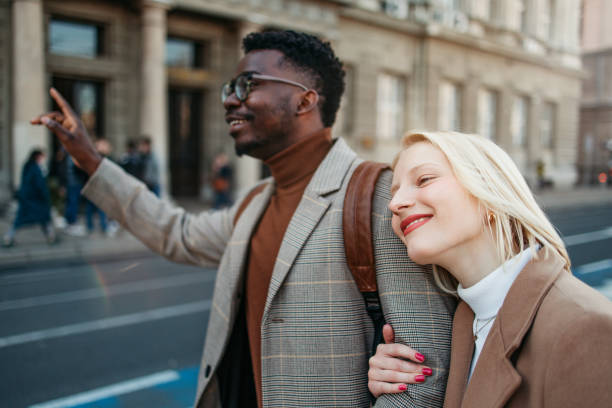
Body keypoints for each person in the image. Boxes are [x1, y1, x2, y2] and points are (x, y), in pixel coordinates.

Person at [32, 30, 455, 408]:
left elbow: (425, 375)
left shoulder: (380, 196)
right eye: (228, 88)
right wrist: (90, 160)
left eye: (246, 85)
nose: (230, 99)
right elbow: (175, 233)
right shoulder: (255, 202)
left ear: (306, 99)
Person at [368, 130, 612, 407]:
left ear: (488, 193)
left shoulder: (584, 327)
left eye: (424, 179)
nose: (394, 204)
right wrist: (397, 381)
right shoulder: (463, 321)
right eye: (395, 191)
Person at [3, 149, 57, 247]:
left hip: (27, 199)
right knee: (44, 218)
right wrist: (46, 197)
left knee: (25, 220)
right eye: (42, 156)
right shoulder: (35, 168)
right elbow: (40, 185)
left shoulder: (28, 166)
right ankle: (50, 236)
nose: (43, 159)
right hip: (35, 200)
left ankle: (9, 237)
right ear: (38, 157)